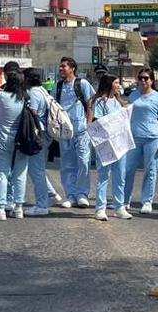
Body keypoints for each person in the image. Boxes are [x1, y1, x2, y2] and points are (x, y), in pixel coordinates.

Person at [0, 71, 31, 220]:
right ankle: (18, 207)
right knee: (20, 175)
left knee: (2, 173)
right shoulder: (25, 98)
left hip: (4, 140)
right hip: (22, 140)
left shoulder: (4, 97)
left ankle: (0, 208)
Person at [124, 67, 158, 213]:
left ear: (151, 81)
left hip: (152, 138)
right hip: (134, 137)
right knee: (128, 169)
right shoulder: (133, 95)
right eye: (141, 78)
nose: (143, 80)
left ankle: (147, 201)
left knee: (150, 170)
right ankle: (124, 201)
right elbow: (126, 114)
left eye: (146, 78)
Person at [91, 73, 131, 220]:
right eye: (116, 83)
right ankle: (100, 208)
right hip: (106, 144)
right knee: (103, 176)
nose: (119, 85)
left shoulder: (119, 101)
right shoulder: (100, 102)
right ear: (109, 84)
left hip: (120, 143)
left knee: (120, 176)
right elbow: (98, 122)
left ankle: (119, 206)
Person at [56, 57, 94, 208]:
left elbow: (91, 102)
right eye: (60, 67)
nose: (61, 70)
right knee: (67, 164)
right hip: (64, 131)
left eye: (63, 67)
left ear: (72, 68)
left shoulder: (82, 84)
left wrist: (89, 123)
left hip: (81, 129)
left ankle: (82, 194)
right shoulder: (58, 87)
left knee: (83, 162)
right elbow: (53, 105)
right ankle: (70, 195)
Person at [24, 69, 52, 216]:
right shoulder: (42, 90)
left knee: (37, 171)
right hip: (45, 133)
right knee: (39, 169)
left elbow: (33, 113)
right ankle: (46, 198)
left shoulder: (34, 92)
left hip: (37, 134)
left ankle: (42, 204)